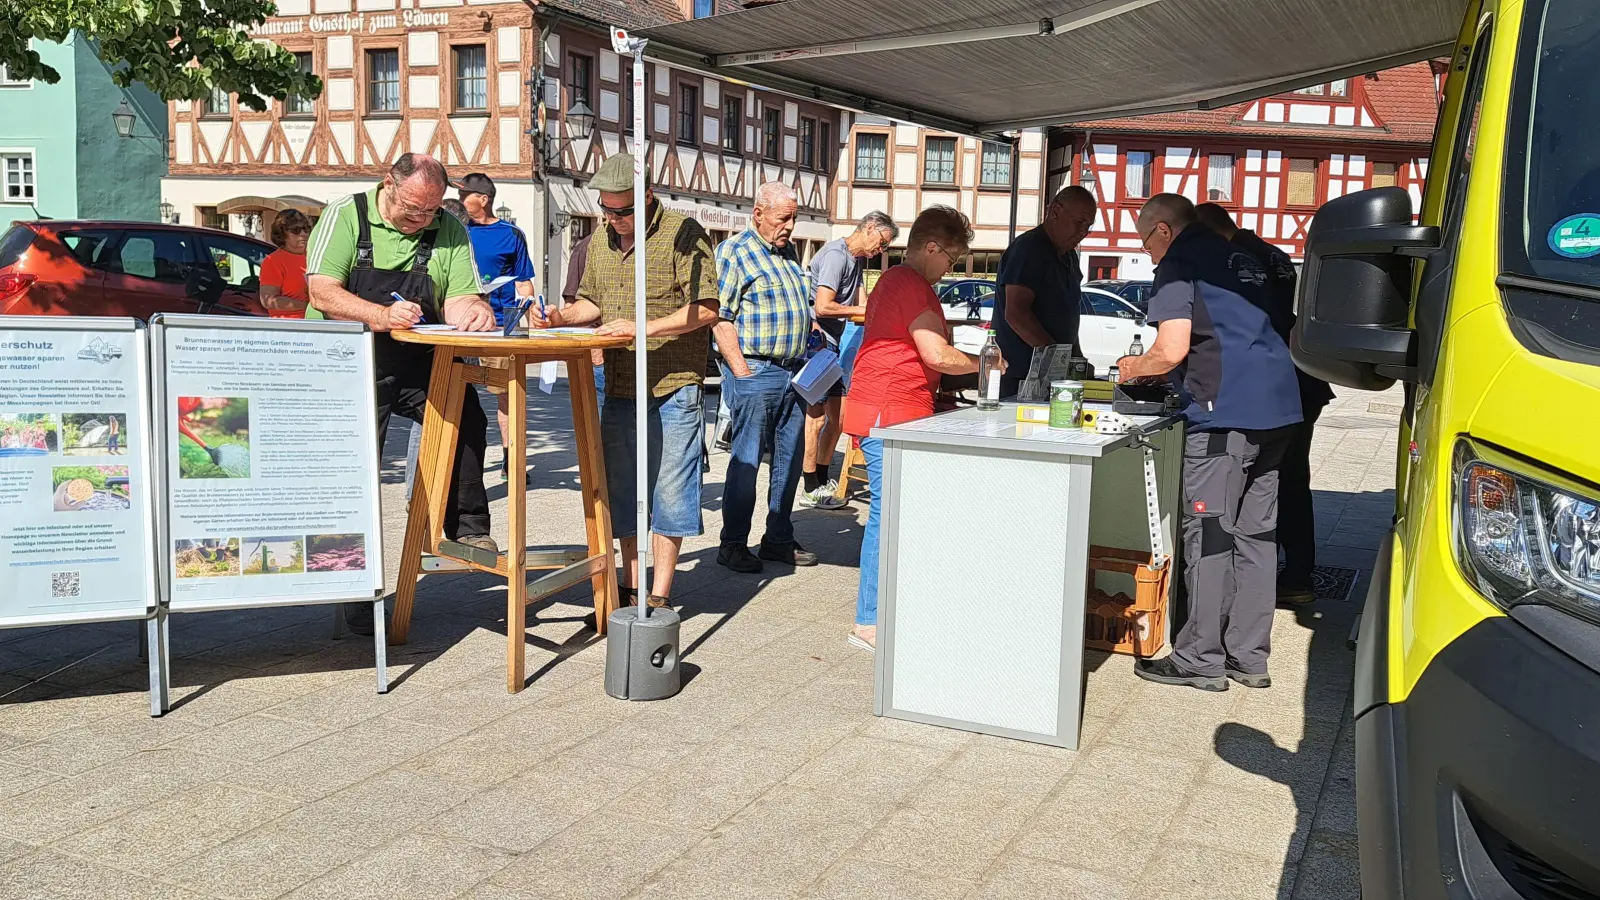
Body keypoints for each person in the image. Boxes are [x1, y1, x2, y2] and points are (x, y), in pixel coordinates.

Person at [1116, 194, 1303, 691]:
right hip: (1281, 409)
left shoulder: (1180, 263)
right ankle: (1249, 656)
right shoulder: (1244, 256)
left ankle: (1200, 657)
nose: (1149, 255)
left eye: (1145, 243)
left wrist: (1133, 367)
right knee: (1258, 536)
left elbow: (1170, 348)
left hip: (1226, 417)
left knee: (1211, 533)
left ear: (1161, 229)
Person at [307, 153, 499, 635]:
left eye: (430, 210)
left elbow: (458, 294)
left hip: (416, 358)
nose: (421, 219)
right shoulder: (346, 214)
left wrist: (473, 309)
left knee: (466, 414)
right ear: (386, 184)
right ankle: (353, 586)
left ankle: (469, 530)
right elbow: (321, 291)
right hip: (344, 358)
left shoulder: (447, 228)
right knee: (354, 470)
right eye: (413, 208)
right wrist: (378, 316)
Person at [531, 154, 719, 610]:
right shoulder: (600, 238)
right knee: (624, 489)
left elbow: (707, 308)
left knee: (670, 488)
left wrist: (642, 328)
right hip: (618, 382)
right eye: (608, 211)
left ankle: (659, 594)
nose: (615, 220)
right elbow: (592, 303)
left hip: (673, 382)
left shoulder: (685, 233)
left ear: (647, 197)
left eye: (624, 211)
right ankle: (631, 585)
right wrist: (559, 317)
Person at [843, 206, 982, 651]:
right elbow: (936, 355)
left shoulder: (896, 280)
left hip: (890, 407)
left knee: (895, 514)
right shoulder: (911, 284)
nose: (951, 268)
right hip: (890, 410)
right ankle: (868, 620)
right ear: (932, 248)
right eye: (952, 259)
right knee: (888, 516)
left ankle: (884, 610)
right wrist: (986, 365)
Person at [1194, 202, 1336, 607]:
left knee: (1272, 482)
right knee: (1293, 478)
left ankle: (1289, 574)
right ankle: (1295, 572)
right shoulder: (1272, 253)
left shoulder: (1240, 261)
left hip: (1278, 381)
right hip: (1301, 376)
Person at [713, 182, 817, 573]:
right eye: (783, 218)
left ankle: (777, 538)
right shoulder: (734, 253)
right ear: (758, 214)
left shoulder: (788, 253)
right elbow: (720, 319)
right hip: (756, 370)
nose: (790, 225)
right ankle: (733, 543)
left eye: (793, 217)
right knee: (746, 461)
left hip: (793, 373)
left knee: (789, 462)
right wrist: (740, 370)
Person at [798, 210, 898, 510]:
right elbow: (824, 306)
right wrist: (860, 314)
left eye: (885, 247)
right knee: (815, 420)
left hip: (832, 348)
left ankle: (824, 476)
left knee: (840, 418)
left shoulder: (855, 260)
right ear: (868, 228)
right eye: (881, 242)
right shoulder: (836, 256)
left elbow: (861, 301)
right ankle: (809, 486)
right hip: (816, 346)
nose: (880, 250)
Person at [454, 173, 538, 485]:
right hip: (459, 326)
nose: (462, 201)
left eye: (466, 196)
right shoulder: (455, 232)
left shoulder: (510, 234)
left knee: (509, 396)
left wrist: (528, 319)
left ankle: (512, 459)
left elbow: (524, 280)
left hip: (503, 324)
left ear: (483, 199)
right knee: (456, 394)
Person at [993, 185, 1099, 395]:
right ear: (1056, 212)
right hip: (1021, 374)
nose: (1083, 233)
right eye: (1079, 223)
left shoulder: (1069, 256)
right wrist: (1059, 358)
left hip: (1051, 373)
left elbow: (1068, 315)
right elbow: (1016, 314)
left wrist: (1076, 359)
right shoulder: (1029, 247)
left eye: (1088, 226)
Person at [562, 232, 602, 407]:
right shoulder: (588, 246)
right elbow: (573, 303)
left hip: (649, 358)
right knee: (598, 427)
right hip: (601, 354)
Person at [260, 210, 313, 318]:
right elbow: (269, 300)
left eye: (306, 228)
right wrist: (309, 306)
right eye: (296, 230)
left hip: (319, 323)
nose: (303, 234)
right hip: (289, 327)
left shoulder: (315, 256)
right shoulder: (273, 261)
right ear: (282, 234)